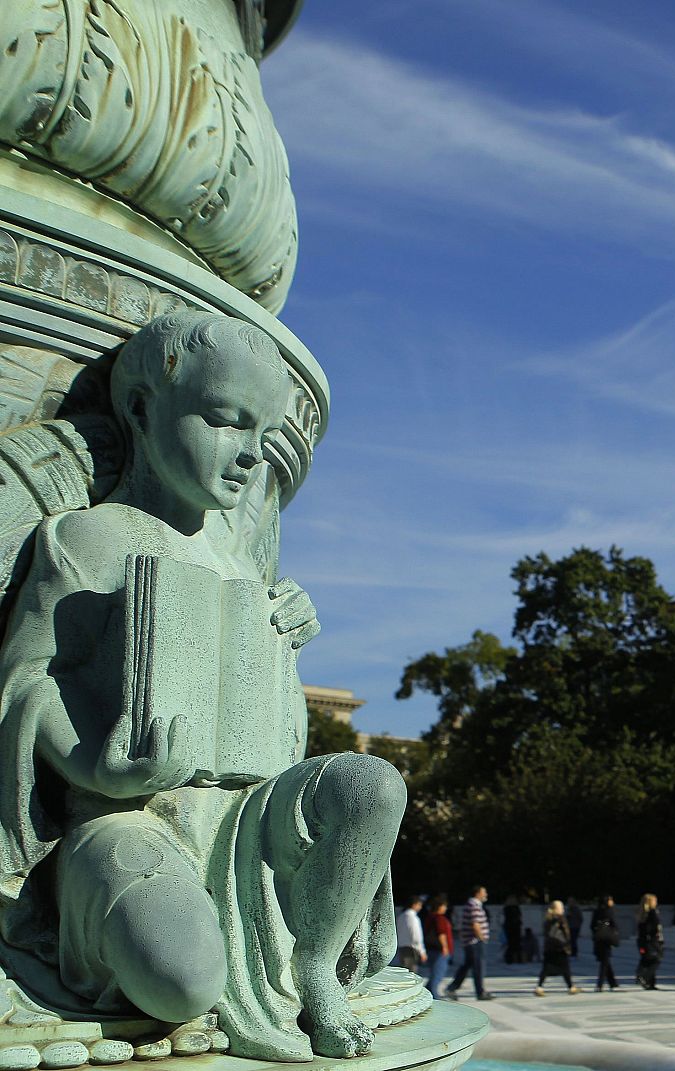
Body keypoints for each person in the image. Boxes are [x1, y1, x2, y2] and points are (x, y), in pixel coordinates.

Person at [0, 312, 406, 1061]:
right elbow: (28, 683)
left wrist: (284, 646)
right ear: (145, 408)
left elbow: (277, 738)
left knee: (373, 784)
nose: (251, 455)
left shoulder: (246, 566)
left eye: (263, 432)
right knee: (182, 980)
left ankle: (315, 963)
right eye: (226, 420)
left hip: (247, 809)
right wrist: (96, 767)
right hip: (129, 819)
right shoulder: (90, 537)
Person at [445, 885, 494, 1001]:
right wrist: (482, 938)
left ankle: (452, 987)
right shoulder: (474, 905)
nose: (485, 895)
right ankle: (480, 992)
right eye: (484, 892)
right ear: (477, 893)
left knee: (467, 965)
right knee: (478, 967)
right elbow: (475, 924)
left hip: (471, 941)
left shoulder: (473, 904)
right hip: (474, 941)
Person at [535, 900, 578, 996]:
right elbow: (566, 933)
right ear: (557, 909)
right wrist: (568, 944)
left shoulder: (547, 919)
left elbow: (546, 934)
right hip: (560, 947)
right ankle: (571, 987)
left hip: (549, 947)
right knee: (565, 967)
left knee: (546, 968)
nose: (563, 909)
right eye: (561, 907)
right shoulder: (561, 919)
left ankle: (539, 987)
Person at [423, 895, 453, 999]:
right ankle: (434, 997)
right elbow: (441, 933)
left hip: (431, 949)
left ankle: (427, 993)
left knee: (434, 973)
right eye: (444, 906)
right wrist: (445, 947)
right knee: (438, 974)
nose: (445, 908)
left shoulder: (429, 917)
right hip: (439, 951)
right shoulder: (440, 918)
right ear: (439, 906)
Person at [590, 894, 621, 991]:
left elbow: (592, 925)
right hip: (607, 939)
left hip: (599, 939)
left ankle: (613, 983)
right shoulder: (609, 911)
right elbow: (614, 924)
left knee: (605, 961)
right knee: (605, 962)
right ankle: (600, 984)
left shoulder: (596, 911)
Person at [636, 893, 664, 990]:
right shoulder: (653, 912)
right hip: (652, 941)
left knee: (647, 959)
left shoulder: (641, 913)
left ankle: (650, 983)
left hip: (642, 941)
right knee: (657, 959)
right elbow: (656, 927)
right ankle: (644, 977)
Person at [396, 895, 426, 973]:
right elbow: (416, 936)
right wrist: (422, 951)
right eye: (419, 905)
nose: (420, 907)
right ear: (414, 904)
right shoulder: (413, 918)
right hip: (412, 948)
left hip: (402, 947)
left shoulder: (401, 916)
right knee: (411, 972)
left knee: (404, 971)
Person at [503, 894, 524, 964]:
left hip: (510, 928)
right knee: (516, 944)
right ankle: (518, 959)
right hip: (515, 928)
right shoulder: (515, 908)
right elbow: (518, 918)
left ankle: (511, 959)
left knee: (511, 944)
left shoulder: (507, 909)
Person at [567, 897, 584, 962]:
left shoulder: (577, 909)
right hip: (570, 926)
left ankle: (574, 953)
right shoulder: (569, 909)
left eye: (570, 902)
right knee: (570, 940)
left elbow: (581, 918)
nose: (569, 903)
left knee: (573, 940)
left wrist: (578, 925)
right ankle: (571, 952)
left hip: (575, 927)